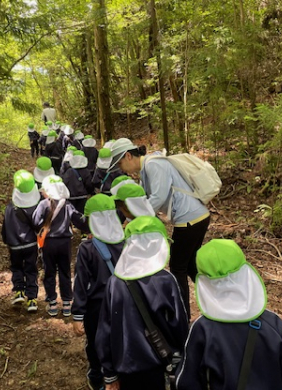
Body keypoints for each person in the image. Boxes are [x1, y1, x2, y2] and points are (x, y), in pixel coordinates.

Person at [175, 239, 282, 390]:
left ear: (203, 280)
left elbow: (185, 383)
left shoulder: (201, 329)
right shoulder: (273, 323)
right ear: (245, 272)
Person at [109, 138, 210, 318]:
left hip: (190, 219)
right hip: (194, 217)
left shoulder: (153, 165)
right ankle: (213, 296)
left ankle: (183, 315)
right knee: (189, 266)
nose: (121, 169)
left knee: (178, 267)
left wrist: (139, 219)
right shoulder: (147, 168)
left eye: (120, 163)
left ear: (128, 155)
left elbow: (158, 197)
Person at [95, 216, 189, 390]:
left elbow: (105, 330)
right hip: (161, 363)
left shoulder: (115, 282)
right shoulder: (167, 280)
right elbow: (179, 324)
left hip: (126, 366)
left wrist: (109, 373)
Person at [72, 194, 125, 390]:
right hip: (122, 302)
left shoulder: (87, 248)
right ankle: (118, 374)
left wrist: (78, 314)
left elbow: (80, 283)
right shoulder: (127, 242)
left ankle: (97, 376)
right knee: (119, 338)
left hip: (97, 306)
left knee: (95, 343)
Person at [33, 175, 89, 317]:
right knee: (65, 272)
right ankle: (66, 304)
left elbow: (35, 221)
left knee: (49, 272)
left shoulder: (43, 204)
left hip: (48, 243)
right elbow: (80, 221)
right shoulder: (68, 205)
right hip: (65, 243)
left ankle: (52, 303)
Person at [0, 170, 41, 311]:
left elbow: (6, 226)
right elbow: (37, 224)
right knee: (31, 269)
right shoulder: (34, 207)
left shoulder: (10, 208)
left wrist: (6, 240)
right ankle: (32, 299)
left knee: (17, 267)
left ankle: (19, 291)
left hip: (14, 245)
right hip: (31, 243)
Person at [61, 150, 93, 214]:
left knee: (71, 213)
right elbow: (88, 184)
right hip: (82, 196)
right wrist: (90, 192)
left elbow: (65, 182)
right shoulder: (86, 171)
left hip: (71, 196)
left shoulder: (69, 171)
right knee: (81, 213)